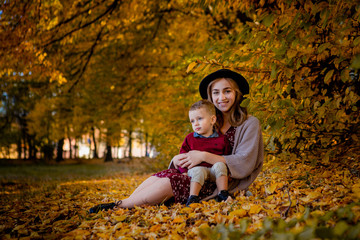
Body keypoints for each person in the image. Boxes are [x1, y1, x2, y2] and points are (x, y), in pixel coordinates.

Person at [89, 69, 264, 213]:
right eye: (216, 93)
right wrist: (180, 158)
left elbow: (244, 161)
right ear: (210, 97)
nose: (222, 97)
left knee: (170, 182)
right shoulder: (209, 120)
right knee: (162, 175)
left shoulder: (249, 123)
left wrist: (203, 155)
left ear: (237, 93)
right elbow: (193, 147)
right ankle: (122, 203)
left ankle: (120, 207)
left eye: (227, 91)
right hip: (198, 174)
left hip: (223, 181)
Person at [178, 99, 232, 206]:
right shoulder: (190, 138)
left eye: (199, 119)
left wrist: (229, 173)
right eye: (192, 121)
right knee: (198, 170)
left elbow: (228, 158)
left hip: (213, 172)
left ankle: (223, 193)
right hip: (196, 172)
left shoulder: (222, 139)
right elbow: (182, 156)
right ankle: (193, 197)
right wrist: (183, 171)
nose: (196, 123)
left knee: (220, 165)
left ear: (212, 119)